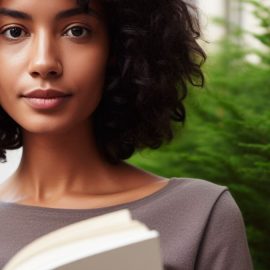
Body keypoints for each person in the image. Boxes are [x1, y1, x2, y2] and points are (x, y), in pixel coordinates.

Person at [0, 0, 253, 269]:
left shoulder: (199, 215)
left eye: (76, 31)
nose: (44, 62)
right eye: (14, 32)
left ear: (119, 48)